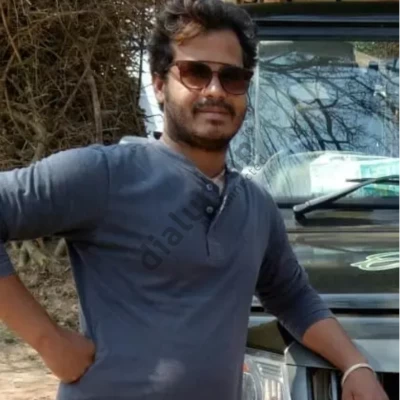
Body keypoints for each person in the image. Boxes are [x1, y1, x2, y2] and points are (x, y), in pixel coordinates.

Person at [0, 1, 389, 399]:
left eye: (232, 77)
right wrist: (48, 341)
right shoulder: (105, 176)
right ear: (159, 85)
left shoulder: (256, 207)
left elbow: (293, 297)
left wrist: (354, 365)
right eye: (195, 72)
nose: (215, 91)